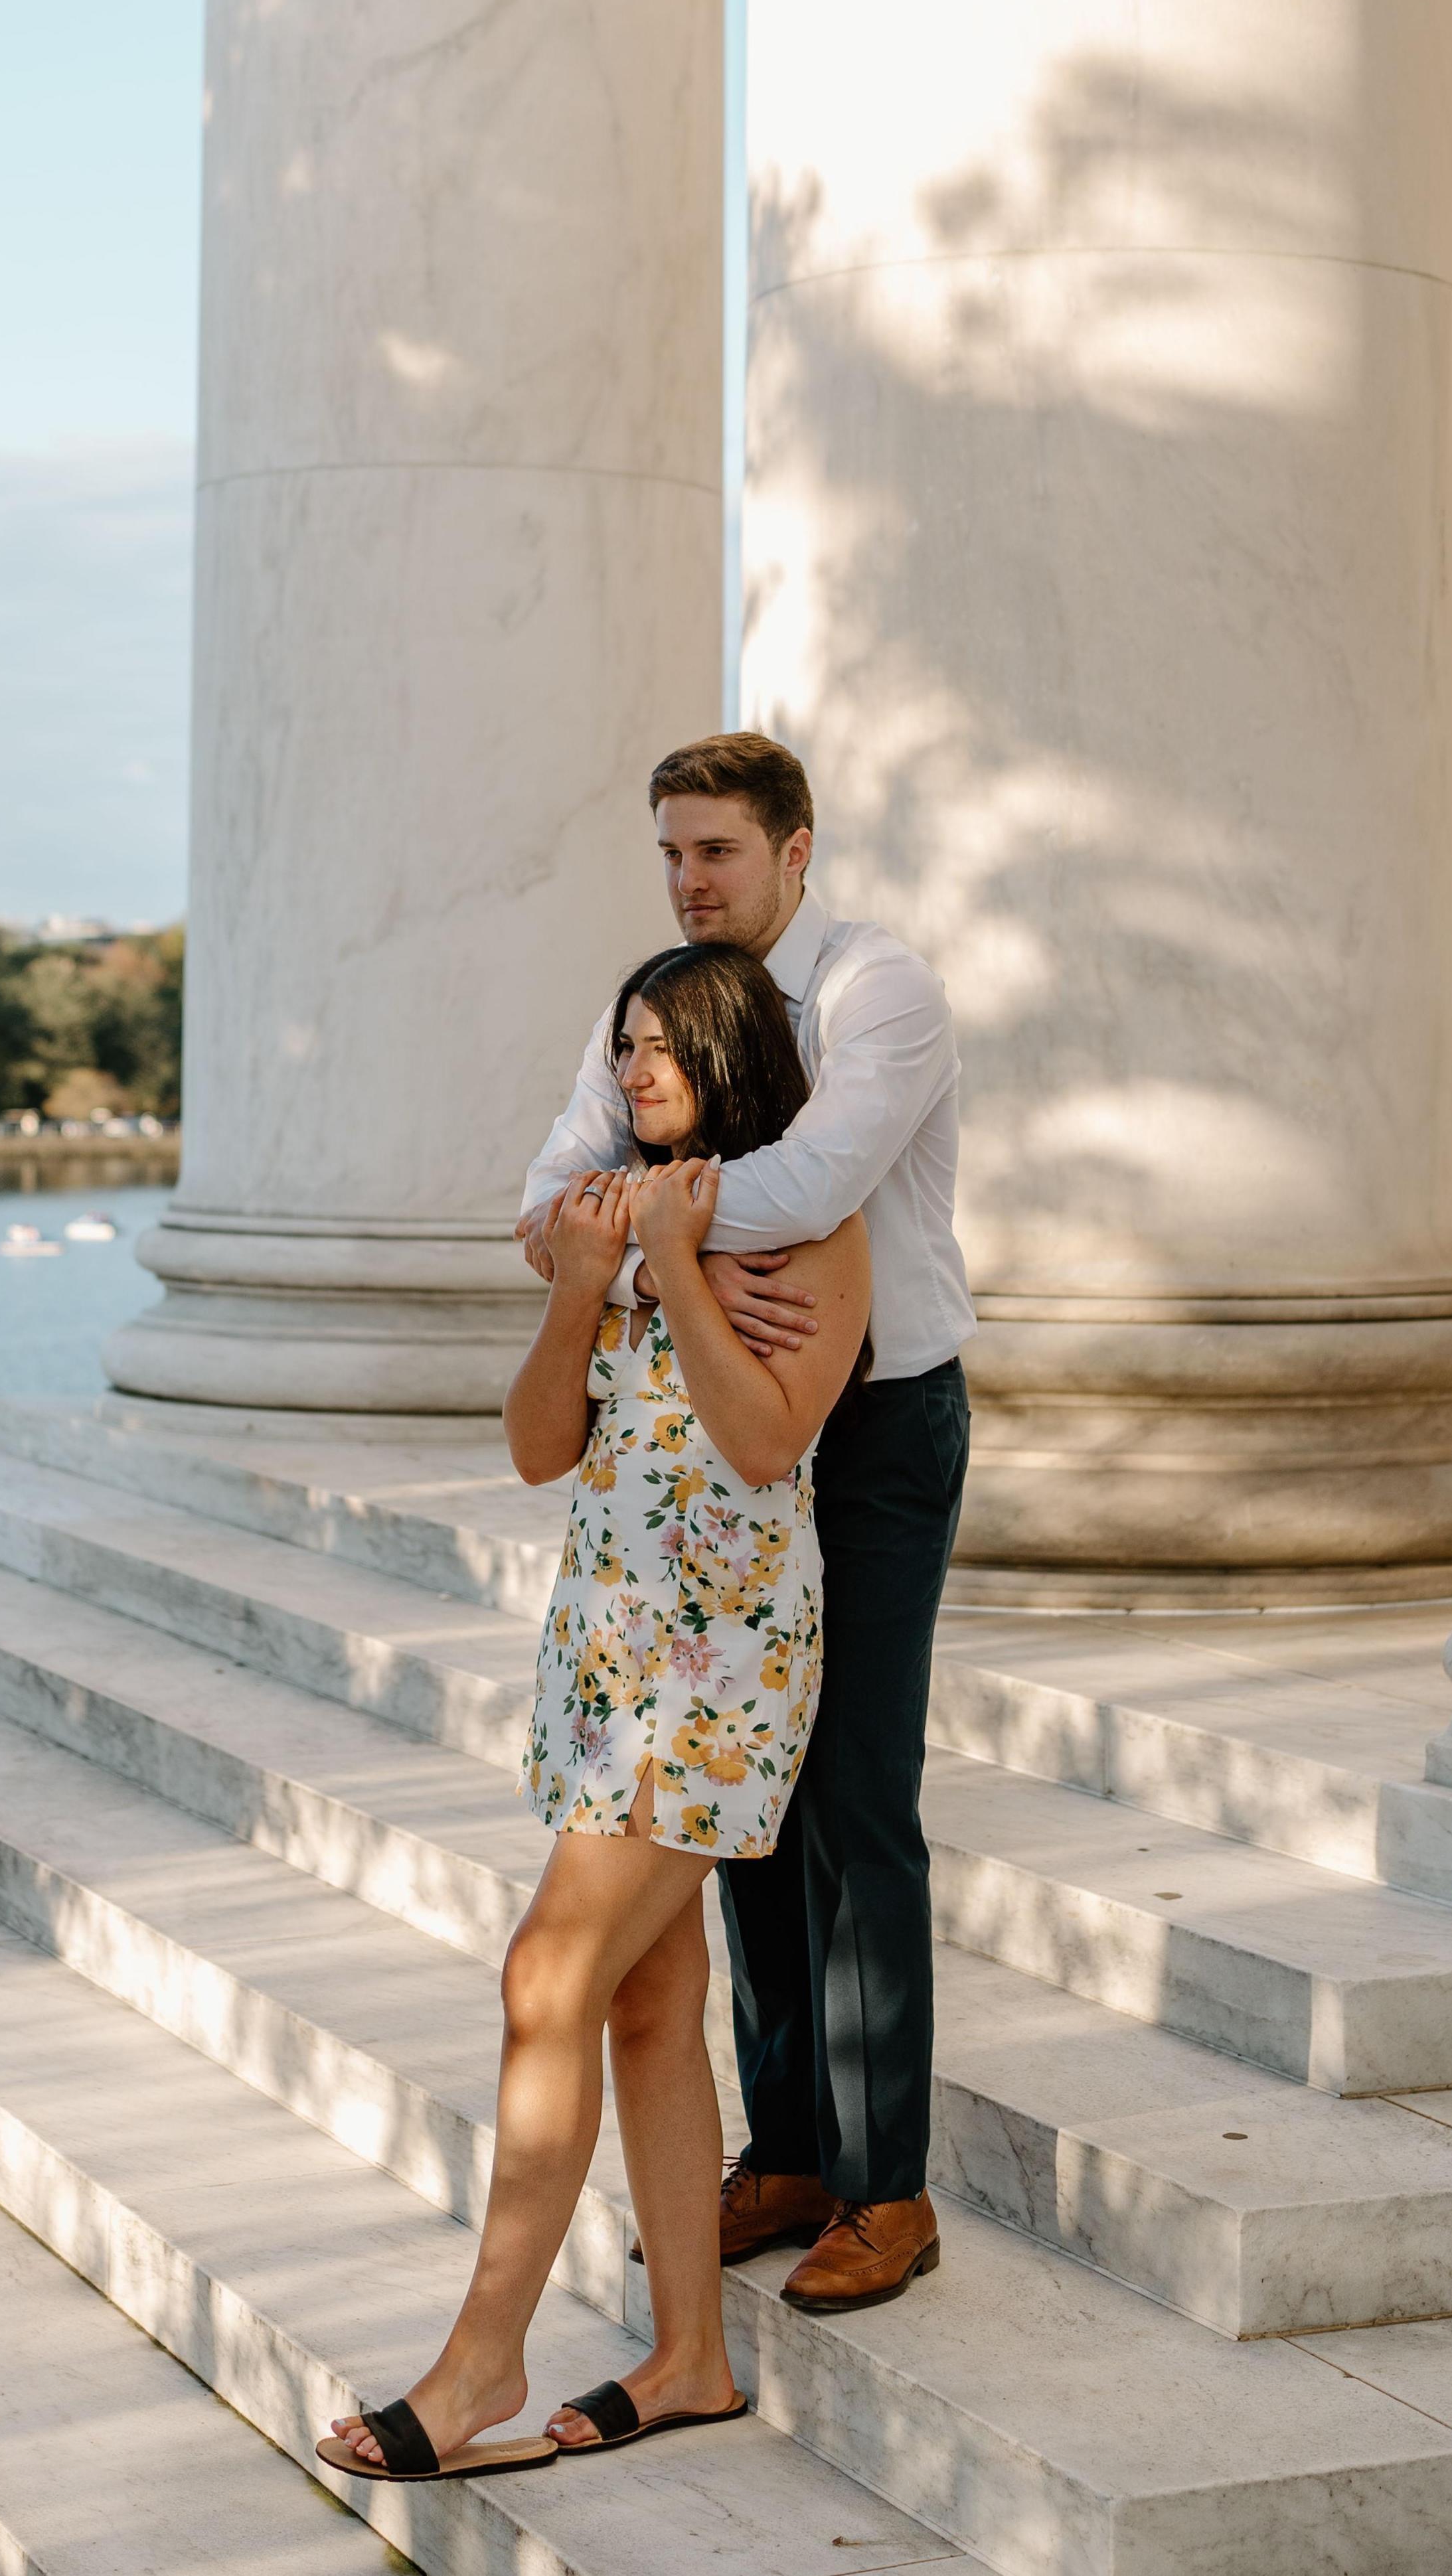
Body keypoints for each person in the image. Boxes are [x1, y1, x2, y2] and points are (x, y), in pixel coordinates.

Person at [321, 942, 872, 2483]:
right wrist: (589, 1282)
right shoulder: (606, 1222)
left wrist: (676, 1266)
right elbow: (533, 1443)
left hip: (724, 1663)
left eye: (660, 1043)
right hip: (607, 1651)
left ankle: (478, 2355)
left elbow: (764, 1442)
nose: (628, 1066)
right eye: (619, 1042)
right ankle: (690, 2351)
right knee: (638, 1994)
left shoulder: (811, 1234)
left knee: (542, 1972)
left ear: (730, 1049)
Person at [519, 731, 973, 2317]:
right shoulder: (649, 1004)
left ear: (794, 850)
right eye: (668, 853)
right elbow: (538, 1206)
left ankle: (886, 2182)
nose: (689, 880)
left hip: (871, 1427)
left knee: (854, 1792)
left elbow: (810, 1186)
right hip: (705, 1456)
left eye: (714, 851)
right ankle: (782, 2141)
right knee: (739, 1802)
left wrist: (631, 1244)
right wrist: (657, 1253)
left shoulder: (877, 991)